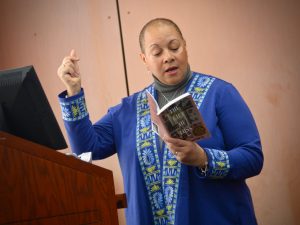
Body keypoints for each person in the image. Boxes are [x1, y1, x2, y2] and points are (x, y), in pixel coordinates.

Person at [57, 18, 263, 225]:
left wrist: (204, 158)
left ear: (186, 47)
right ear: (144, 59)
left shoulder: (220, 93)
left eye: (175, 47)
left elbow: (253, 157)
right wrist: (73, 91)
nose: (168, 57)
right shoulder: (127, 110)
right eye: (157, 53)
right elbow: (85, 148)